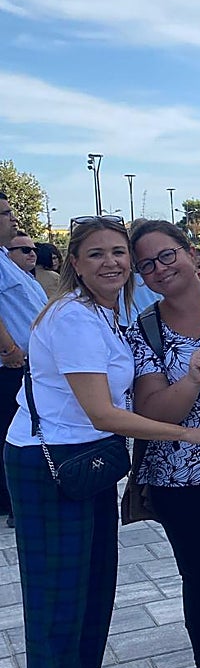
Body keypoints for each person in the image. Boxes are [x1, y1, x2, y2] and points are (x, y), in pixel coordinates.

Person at [6, 215, 200, 668]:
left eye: (119, 253)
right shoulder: (77, 319)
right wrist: (186, 432)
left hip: (88, 462)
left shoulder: (106, 313)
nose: (113, 263)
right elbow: (103, 412)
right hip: (51, 462)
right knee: (57, 592)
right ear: (74, 264)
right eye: (97, 254)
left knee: (93, 581)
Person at [126, 219, 200, 668]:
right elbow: (152, 413)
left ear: (191, 252)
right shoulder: (144, 330)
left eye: (167, 256)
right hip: (182, 476)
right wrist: (191, 379)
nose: (159, 269)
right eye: (146, 265)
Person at [0, 196, 48, 528]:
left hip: (28, 363)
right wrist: (9, 349)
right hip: (11, 366)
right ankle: (15, 503)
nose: (13, 219)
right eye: (5, 214)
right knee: (12, 432)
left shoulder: (5, 259)